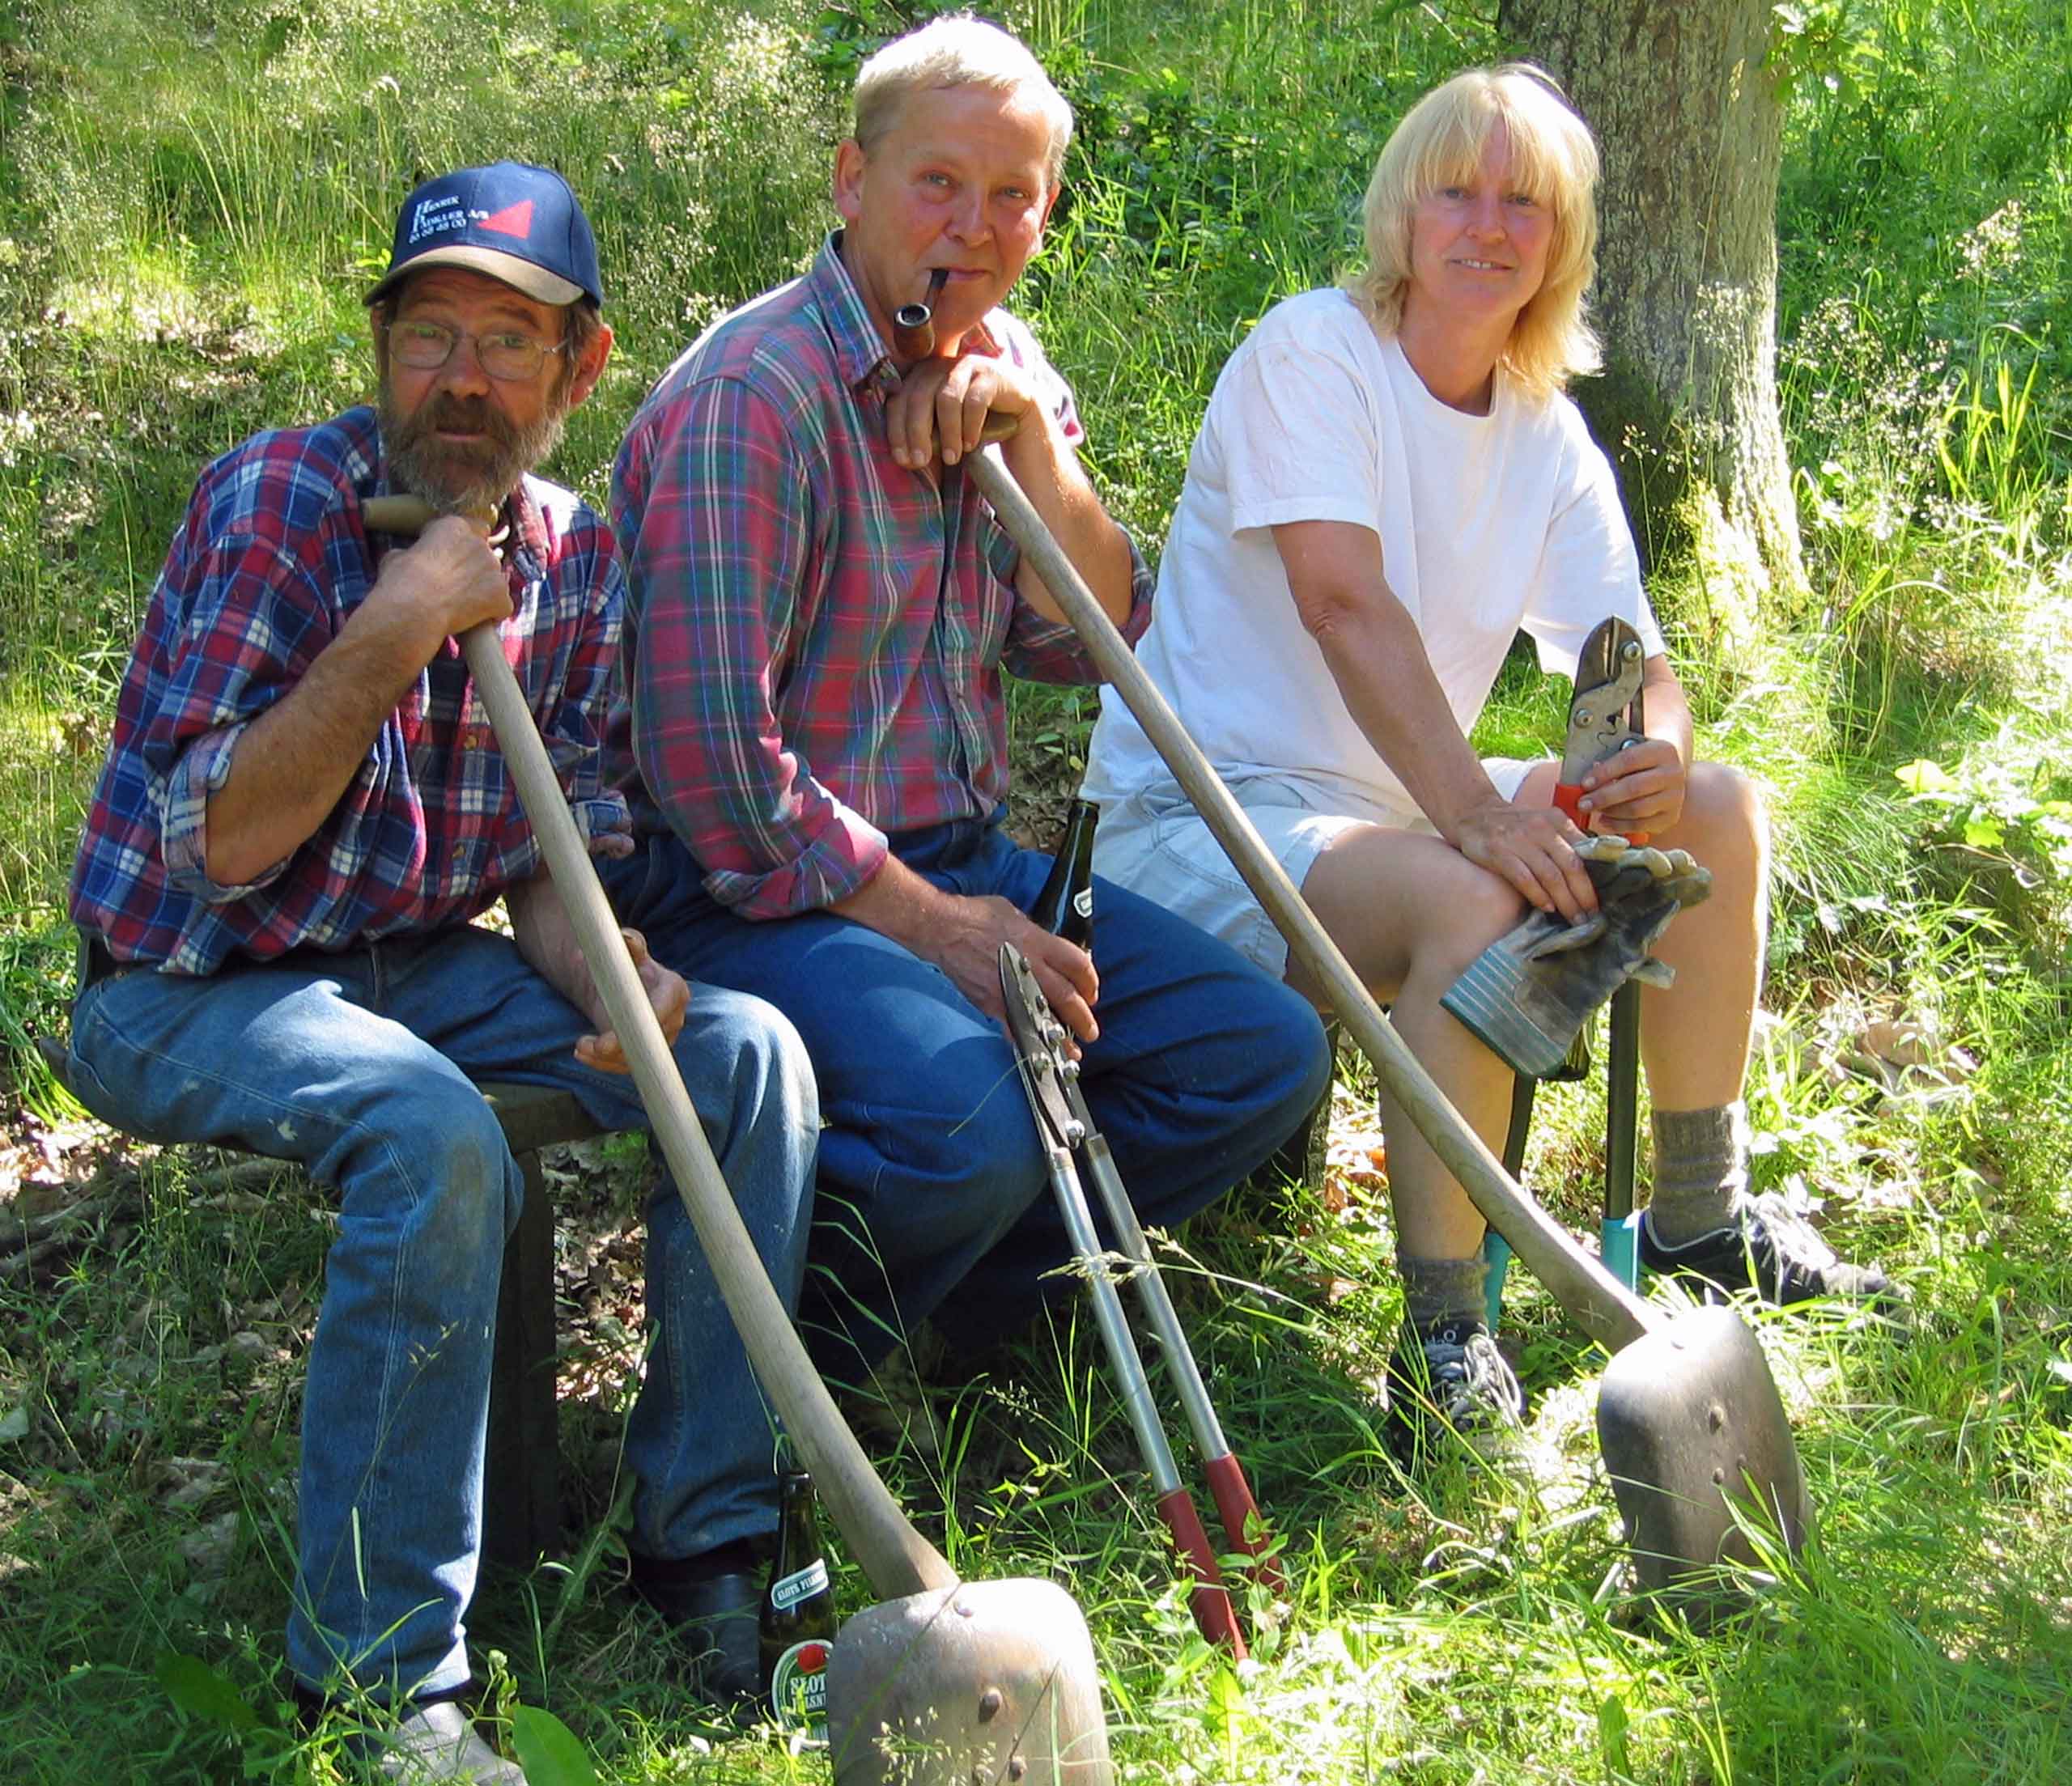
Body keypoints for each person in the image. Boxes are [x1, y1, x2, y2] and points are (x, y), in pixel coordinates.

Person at [64, 163, 817, 1780]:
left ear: (578, 367)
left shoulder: (576, 558)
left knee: (747, 1053)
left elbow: (553, 857)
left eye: (508, 340)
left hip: (418, 966)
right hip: (189, 982)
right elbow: (227, 847)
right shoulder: (275, 502)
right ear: (381, 349)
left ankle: (703, 1539)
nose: (463, 380)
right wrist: (397, 624)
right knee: (428, 1131)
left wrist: (602, 970)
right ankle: (379, 1678)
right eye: (429, 336)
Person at [1081, 65, 1889, 1447]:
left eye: (1527, 201)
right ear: (1404, 214)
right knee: (1475, 897)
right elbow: (1343, 604)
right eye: (1456, 189)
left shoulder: (1545, 432)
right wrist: (1476, 815)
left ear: (1563, 241)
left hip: (1393, 809)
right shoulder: (1314, 353)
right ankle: (1448, 1340)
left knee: (1715, 810)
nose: (1488, 224)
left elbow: (1623, 658)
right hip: (1204, 814)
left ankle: (1697, 1217)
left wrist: (1642, 756)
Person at [601, 19, 1330, 1390]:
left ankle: (961, 1319)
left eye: (1015, 195)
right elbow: (713, 777)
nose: (976, 225)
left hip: (954, 852)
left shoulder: (1007, 364)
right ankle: (762, 1387)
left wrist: (1036, 444)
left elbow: (1104, 637)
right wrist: (936, 927)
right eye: (939, 183)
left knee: (1259, 1053)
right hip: (739, 889)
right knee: (964, 1120)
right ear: (849, 183)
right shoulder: (758, 397)